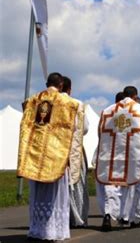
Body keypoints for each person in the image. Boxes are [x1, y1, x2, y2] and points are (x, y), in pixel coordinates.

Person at [17, 72, 82, 241]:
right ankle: (52, 232)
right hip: (56, 157)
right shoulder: (69, 103)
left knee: (37, 195)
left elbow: (25, 126)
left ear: (47, 83)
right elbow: (75, 129)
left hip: (35, 156)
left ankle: (36, 230)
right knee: (54, 196)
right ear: (61, 86)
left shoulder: (32, 101)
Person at [95, 86, 140, 231]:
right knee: (132, 186)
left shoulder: (108, 110)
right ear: (135, 96)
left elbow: (100, 132)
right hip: (132, 155)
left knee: (111, 186)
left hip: (111, 155)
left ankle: (108, 214)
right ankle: (131, 218)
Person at [62, 76, 90, 227]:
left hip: (55, 150)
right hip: (73, 148)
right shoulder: (77, 104)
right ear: (69, 89)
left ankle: (60, 217)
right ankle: (77, 218)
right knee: (77, 183)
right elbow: (84, 128)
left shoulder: (51, 102)